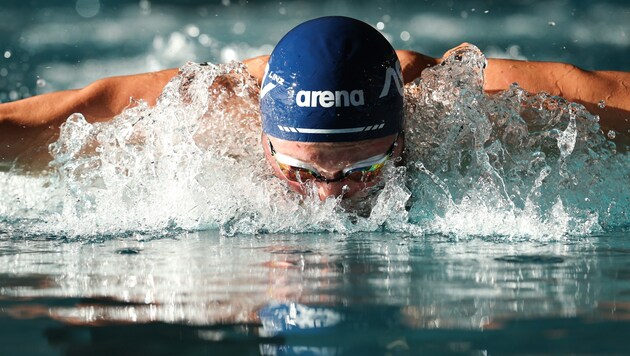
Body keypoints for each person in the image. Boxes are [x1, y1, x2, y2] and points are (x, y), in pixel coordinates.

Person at [0, 16, 628, 200]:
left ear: (402, 138)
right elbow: (54, 117)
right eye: (300, 172)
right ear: (264, 139)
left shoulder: (482, 109)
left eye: (364, 170)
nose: (330, 198)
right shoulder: (201, 114)